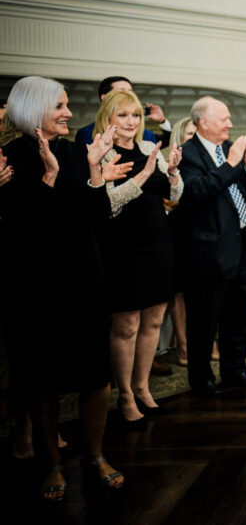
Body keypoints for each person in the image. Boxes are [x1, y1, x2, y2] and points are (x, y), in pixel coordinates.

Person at [0, 76, 126, 499]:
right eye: (60, 106)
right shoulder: (9, 158)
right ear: (35, 109)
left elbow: (96, 216)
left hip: (84, 276)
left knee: (95, 372)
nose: (69, 113)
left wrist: (93, 171)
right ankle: (50, 463)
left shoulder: (74, 151)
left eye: (68, 105)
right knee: (44, 378)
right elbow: (25, 228)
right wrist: (50, 178)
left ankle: (95, 455)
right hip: (36, 284)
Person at [96, 90, 183, 423]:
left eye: (135, 115)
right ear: (108, 118)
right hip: (123, 248)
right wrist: (144, 176)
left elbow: (174, 195)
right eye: (122, 115)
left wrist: (172, 171)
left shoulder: (149, 148)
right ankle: (125, 395)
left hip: (159, 243)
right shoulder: (101, 153)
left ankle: (143, 386)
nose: (131, 122)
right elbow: (108, 204)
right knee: (127, 325)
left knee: (154, 320)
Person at [177, 97, 246, 396]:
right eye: (224, 119)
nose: (229, 124)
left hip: (242, 245)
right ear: (202, 122)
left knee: (239, 315)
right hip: (207, 251)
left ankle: (235, 370)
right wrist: (231, 164)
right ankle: (201, 380)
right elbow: (196, 192)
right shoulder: (185, 154)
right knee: (203, 320)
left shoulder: (230, 150)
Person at [166, 117, 196, 366]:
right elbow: (168, 200)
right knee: (179, 292)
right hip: (175, 231)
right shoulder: (167, 161)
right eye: (189, 134)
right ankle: (184, 346)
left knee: (201, 289)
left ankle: (208, 341)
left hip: (201, 229)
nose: (194, 138)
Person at [75, 75, 171, 147]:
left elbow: (171, 141)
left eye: (130, 91)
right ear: (105, 98)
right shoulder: (87, 133)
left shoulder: (146, 135)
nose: (128, 95)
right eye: (122, 91)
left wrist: (162, 121)